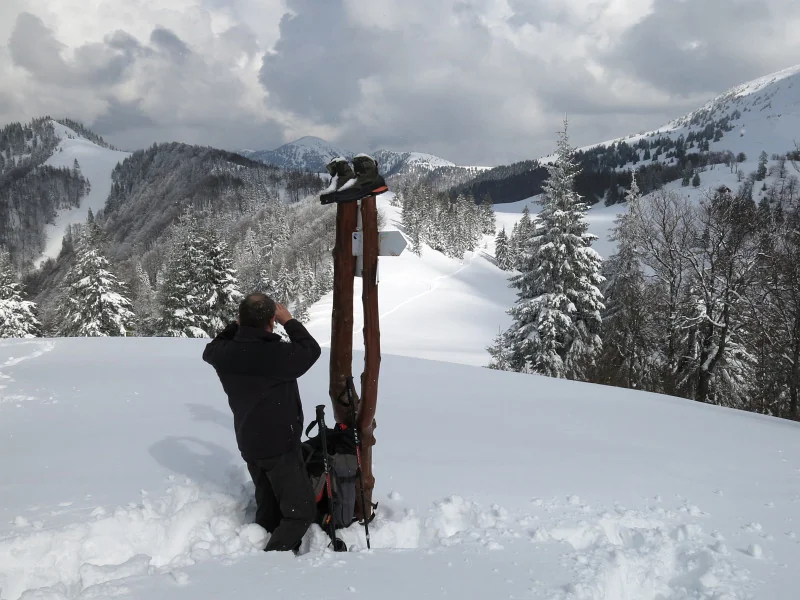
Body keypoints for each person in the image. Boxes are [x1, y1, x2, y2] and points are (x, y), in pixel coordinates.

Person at [202, 293, 321, 553]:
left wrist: (235, 326)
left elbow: (210, 348)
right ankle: (270, 560)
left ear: (241, 319)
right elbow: (311, 350)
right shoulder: (277, 354)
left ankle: (261, 536)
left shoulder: (224, 353)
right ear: (271, 321)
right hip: (280, 445)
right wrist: (289, 321)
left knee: (268, 504)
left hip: (249, 441)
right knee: (300, 512)